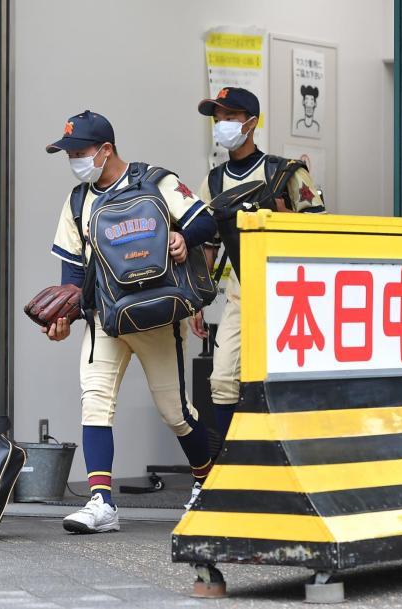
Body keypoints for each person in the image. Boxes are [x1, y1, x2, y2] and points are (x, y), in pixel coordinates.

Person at [45, 110, 218, 533]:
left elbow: (206, 221)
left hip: (158, 315)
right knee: (95, 401)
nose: (74, 160)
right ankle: (101, 501)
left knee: (175, 412)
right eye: (69, 153)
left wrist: (182, 237)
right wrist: (64, 317)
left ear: (106, 150)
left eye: (80, 152)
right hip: (106, 317)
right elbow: (71, 277)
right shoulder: (76, 201)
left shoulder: (157, 182)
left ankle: (210, 484)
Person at [192, 87, 325, 471]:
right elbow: (208, 244)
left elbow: (320, 228)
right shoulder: (213, 182)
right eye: (218, 118)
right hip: (241, 291)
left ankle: (292, 466)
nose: (222, 125)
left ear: (251, 123)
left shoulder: (285, 172)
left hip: (292, 293)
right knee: (222, 381)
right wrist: (199, 301)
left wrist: (283, 216)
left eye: (231, 117)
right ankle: (231, 471)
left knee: (284, 382)